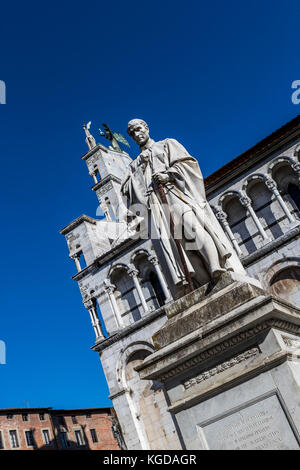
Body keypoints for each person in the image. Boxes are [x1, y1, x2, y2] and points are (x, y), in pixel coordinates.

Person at [120, 118, 245, 288]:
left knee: (192, 226)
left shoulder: (167, 144)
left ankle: (215, 265)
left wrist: (169, 174)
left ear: (147, 128)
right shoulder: (134, 165)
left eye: (138, 129)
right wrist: (139, 173)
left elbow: (188, 164)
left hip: (175, 194)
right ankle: (202, 282)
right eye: (132, 133)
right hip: (157, 205)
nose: (137, 134)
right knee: (179, 245)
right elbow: (127, 190)